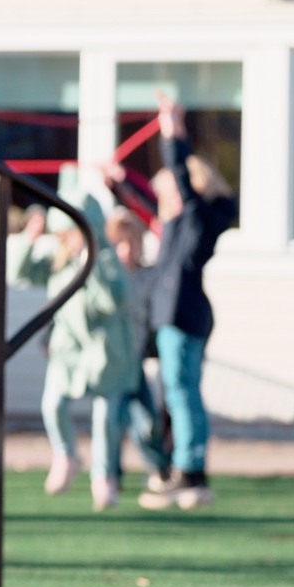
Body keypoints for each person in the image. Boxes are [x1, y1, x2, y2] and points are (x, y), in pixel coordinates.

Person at [136, 94, 237, 510]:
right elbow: (149, 205)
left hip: (182, 313)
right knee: (178, 392)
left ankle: (189, 469)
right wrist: (114, 183)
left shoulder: (196, 216)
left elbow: (179, 172)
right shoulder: (184, 224)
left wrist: (171, 129)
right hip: (179, 313)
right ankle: (183, 467)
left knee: (181, 393)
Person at [12, 196, 138, 510]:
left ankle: (104, 478)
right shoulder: (58, 259)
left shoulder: (105, 260)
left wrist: (89, 262)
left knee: (106, 418)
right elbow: (19, 274)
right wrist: (31, 238)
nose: (65, 238)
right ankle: (66, 454)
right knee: (53, 403)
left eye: (71, 231)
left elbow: (111, 302)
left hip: (105, 350)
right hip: (67, 348)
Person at [99, 196, 177, 496]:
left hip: (136, 362)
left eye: (132, 243)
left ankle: (159, 469)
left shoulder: (147, 276)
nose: (127, 250)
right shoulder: (104, 278)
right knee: (114, 421)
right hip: (112, 364)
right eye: (120, 243)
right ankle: (110, 475)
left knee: (148, 421)